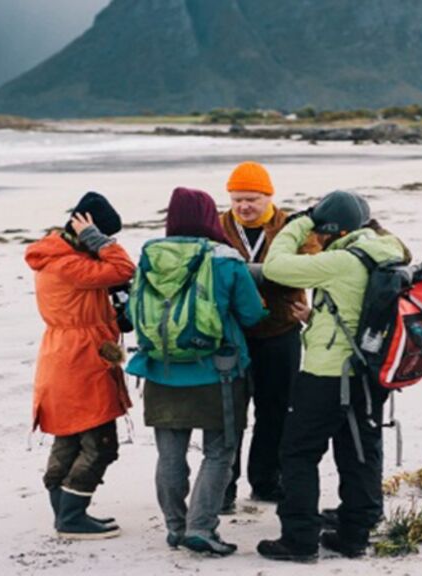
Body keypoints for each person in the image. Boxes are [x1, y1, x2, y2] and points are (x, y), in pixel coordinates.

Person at [256, 191, 408, 562]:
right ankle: (355, 534)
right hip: (370, 371)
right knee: (359, 450)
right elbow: (357, 310)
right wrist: (315, 319)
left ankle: (299, 539)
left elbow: (275, 266)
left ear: (332, 230)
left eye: (320, 231)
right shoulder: (387, 253)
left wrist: (298, 221)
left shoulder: (342, 260)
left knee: (298, 453)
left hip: (328, 374)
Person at [126, 187, 267, 556]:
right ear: (209, 217)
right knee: (219, 452)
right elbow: (252, 314)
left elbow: (130, 315)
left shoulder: (150, 256)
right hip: (218, 372)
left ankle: (175, 527)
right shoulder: (225, 259)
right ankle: (201, 528)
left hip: (160, 370)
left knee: (170, 455)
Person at [24, 191, 136, 540]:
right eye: (105, 235)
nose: (109, 243)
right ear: (87, 230)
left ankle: (66, 510)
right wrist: (97, 240)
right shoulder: (68, 263)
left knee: (70, 435)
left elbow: (105, 287)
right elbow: (124, 267)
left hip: (64, 353)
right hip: (80, 358)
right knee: (100, 441)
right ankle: (72, 516)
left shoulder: (57, 256)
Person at [216, 161, 308, 512]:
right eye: (237, 199)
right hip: (233, 333)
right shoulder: (220, 226)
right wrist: (266, 275)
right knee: (230, 414)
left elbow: (304, 270)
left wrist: (245, 275)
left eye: (251, 199)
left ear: (268, 196)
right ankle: (224, 486)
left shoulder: (291, 226)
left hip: (280, 330)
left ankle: (267, 481)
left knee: (276, 411)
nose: (243, 207)